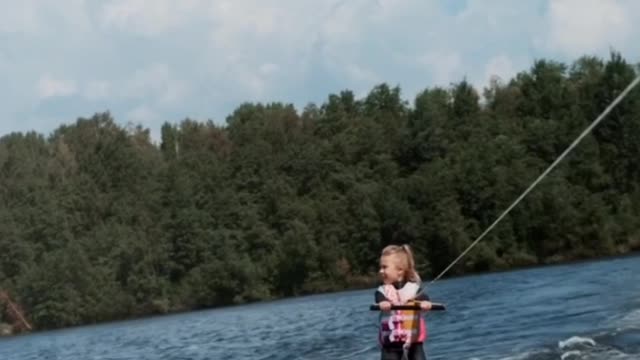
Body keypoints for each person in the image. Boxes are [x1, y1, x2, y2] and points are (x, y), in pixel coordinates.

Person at [375, 244, 432, 360]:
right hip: (390, 344)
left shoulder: (413, 289)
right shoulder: (382, 291)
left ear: (400, 270)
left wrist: (426, 304)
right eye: (380, 267)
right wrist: (383, 303)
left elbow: (425, 298)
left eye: (384, 267)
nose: (381, 271)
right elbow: (379, 299)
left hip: (413, 344)